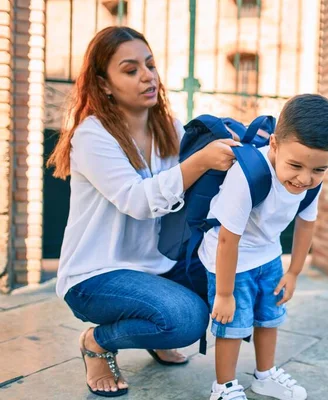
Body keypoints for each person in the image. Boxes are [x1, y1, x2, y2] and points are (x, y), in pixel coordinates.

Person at [47, 26, 240, 397]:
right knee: (186, 319)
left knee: (223, 291)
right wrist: (199, 161)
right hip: (96, 274)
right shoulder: (93, 135)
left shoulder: (169, 128)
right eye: (130, 69)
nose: (148, 76)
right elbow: (137, 201)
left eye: (149, 65)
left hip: (156, 266)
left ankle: (154, 325)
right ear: (104, 83)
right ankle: (98, 342)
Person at [198, 94, 328, 400]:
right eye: (296, 165)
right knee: (232, 323)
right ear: (274, 144)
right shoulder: (248, 175)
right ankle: (223, 387)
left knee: (269, 316)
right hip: (230, 260)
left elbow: (307, 224)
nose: (305, 178)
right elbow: (227, 239)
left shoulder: (311, 176)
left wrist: (294, 273)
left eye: (318, 170)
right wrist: (223, 294)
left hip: (268, 254)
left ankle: (265, 375)